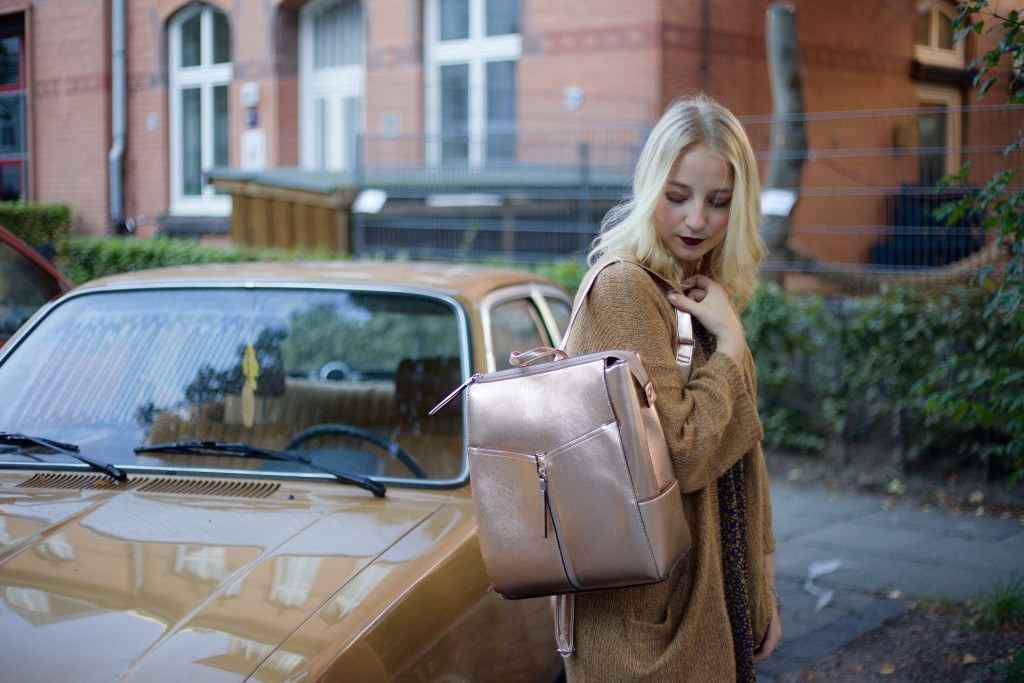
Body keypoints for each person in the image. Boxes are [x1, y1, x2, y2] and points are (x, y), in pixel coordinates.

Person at [563, 94, 781, 681]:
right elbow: (680, 455)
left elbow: (745, 453)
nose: (696, 220)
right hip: (647, 629)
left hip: (714, 601)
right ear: (648, 187)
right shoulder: (625, 290)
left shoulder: (698, 289)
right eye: (677, 196)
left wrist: (765, 587)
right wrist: (732, 351)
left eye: (719, 202)